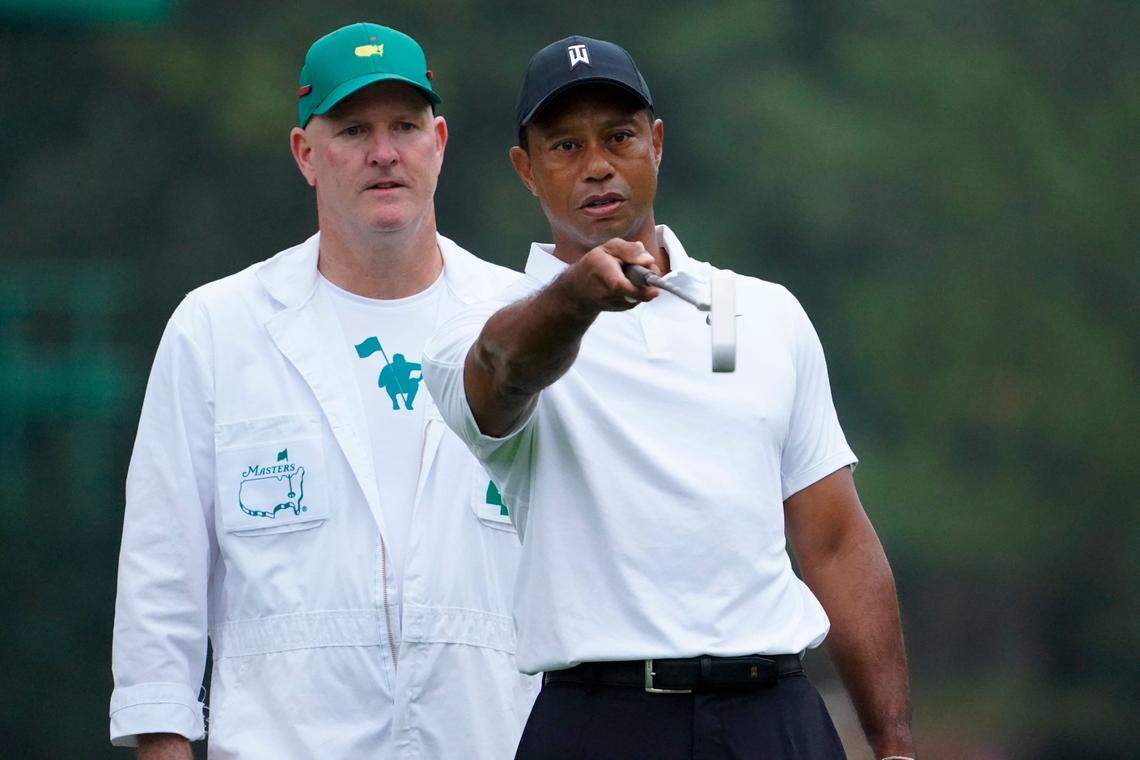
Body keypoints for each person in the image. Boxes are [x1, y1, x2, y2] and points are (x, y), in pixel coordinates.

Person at [423, 35, 915, 760]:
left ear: (656, 143)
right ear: (526, 170)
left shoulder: (762, 312)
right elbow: (503, 373)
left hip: (773, 715)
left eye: (619, 137)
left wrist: (894, 745)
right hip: (602, 722)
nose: (597, 166)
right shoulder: (485, 321)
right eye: (564, 146)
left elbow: (836, 541)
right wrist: (579, 298)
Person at [109, 23, 537, 759]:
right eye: (352, 129)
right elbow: (160, 586)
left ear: (440, 141)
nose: (382, 152)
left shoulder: (525, 321)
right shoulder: (217, 331)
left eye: (404, 126)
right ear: (305, 154)